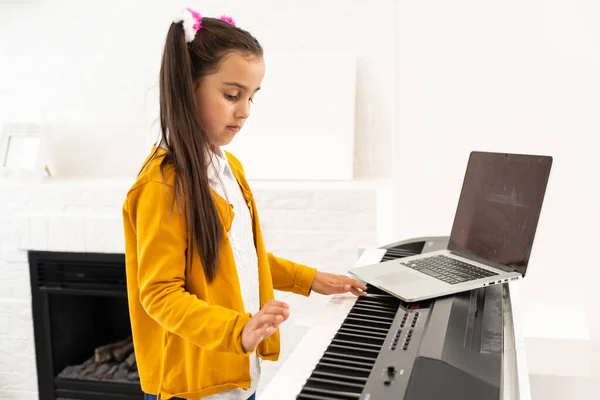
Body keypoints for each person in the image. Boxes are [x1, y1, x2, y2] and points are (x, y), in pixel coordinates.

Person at [121, 8, 368, 400]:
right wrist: (235, 329)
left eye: (252, 97)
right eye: (232, 95)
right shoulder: (161, 185)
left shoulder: (227, 167)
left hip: (237, 375)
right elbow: (159, 294)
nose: (245, 111)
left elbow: (238, 259)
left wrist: (313, 280)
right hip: (193, 387)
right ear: (187, 87)